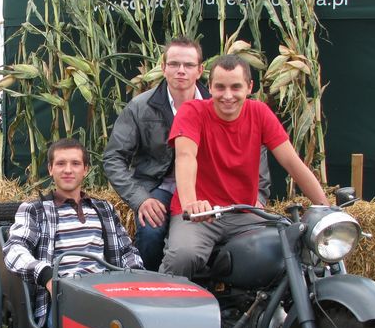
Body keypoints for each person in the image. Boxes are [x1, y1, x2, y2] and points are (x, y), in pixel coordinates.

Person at [103, 37, 271, 271]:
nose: (181, 71)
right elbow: (113, 158)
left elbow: (255, 150)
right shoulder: (140, 107)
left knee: (257, 242)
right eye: (174, 64)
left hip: (208, 187)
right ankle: (151, 288)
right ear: (163, 67)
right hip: (159, 187)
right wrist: (141, 198)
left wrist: (259, 197)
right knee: (151, 231)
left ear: (200, 70)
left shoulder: (222, 103)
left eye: (189, 65)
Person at [160, 55, 329, 279]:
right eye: (220, 87)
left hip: (244, 213)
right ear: (209, 87)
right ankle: (165, 307)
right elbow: (185, 156)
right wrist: (191, 204)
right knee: (183, 256)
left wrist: (326, 209)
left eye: (235, 87)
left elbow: (292, 163)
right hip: (201, 215)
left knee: (290, 251)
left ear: (249, 87)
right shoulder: (192, 111)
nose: (227, 95)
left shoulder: (259, 113)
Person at [4, 138, 144, 326]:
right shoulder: (35, 210)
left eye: (75, 164)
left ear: (85, 169)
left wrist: (135, 277)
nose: (68, 170)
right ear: (50, 169)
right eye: (61, 163)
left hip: (106, 293)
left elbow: (127, 251)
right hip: (63, 297)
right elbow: (14, 250)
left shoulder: (104, 209)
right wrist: (46, 276)